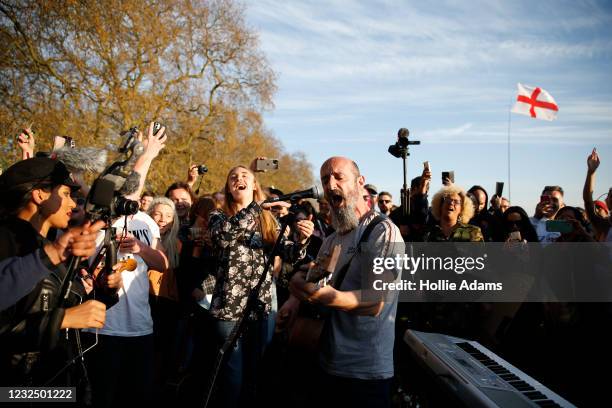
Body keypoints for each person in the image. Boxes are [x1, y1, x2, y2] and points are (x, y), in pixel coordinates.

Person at [280, 156, 404, 408]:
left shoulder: (383, 232)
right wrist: (294, 295)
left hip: (364, 374)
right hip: (324, 359)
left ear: (360, 183)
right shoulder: (332, 239)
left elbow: (374, 301)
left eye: (339, 176)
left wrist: (319, 295)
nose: (330, 184)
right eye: (325, 179)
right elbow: (311, 276)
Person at [0, 157, 114, 390]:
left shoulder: (49, 242)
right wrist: (62, 319)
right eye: (65, 194)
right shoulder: (6, 239)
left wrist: (105, 290)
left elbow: (59, 303)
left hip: (54, 380)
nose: (73, 204)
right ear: (40, 194)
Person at [208, 165, 313, 407]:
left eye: (245, 176)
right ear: (229, 187)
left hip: (261, 306)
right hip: (229, 308)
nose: (239, 179)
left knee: (256, 372)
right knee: (232, 374)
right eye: (233, 177)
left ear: (254, 185)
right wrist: (256, 207)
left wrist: (303, 240)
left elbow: (288, 253)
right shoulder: (219, 216)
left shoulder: (268, 220)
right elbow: (223, 237)